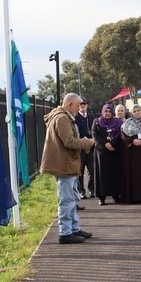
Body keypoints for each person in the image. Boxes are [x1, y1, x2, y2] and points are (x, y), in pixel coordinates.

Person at [39, 93, 95, 244]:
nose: (79, 108)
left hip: (67, 163)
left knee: (72, 197)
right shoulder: (62, 118)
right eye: (77, 105)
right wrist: (86, 142)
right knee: (67, 199)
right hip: (64, 164)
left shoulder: (63, 116)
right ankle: (65, 232)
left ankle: (73, 228)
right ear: (70, 104)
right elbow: (69, 141)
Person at [92, 104, 124, 205]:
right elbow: (95, 135)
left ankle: (116, 195)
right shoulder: (97, 122)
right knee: (102, 175)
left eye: (110, 111)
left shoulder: (118, 122)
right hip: (101, 152)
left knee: (115, 174)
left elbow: (120, 136)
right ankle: (102, 197)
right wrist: (106, 144)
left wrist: (112, 144)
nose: (108, 113)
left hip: (114, 151)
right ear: (102, 112)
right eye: (106, 111)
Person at [76, 96, 96, 200]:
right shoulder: (75, 118)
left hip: (92, 147)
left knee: (92, 170)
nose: (82, 105)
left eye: (84, 103)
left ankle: (92, 189)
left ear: (87, 105)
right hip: (81, 148)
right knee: (80, 171)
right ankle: (81, 191)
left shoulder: (91, 117)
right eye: (81, 104)